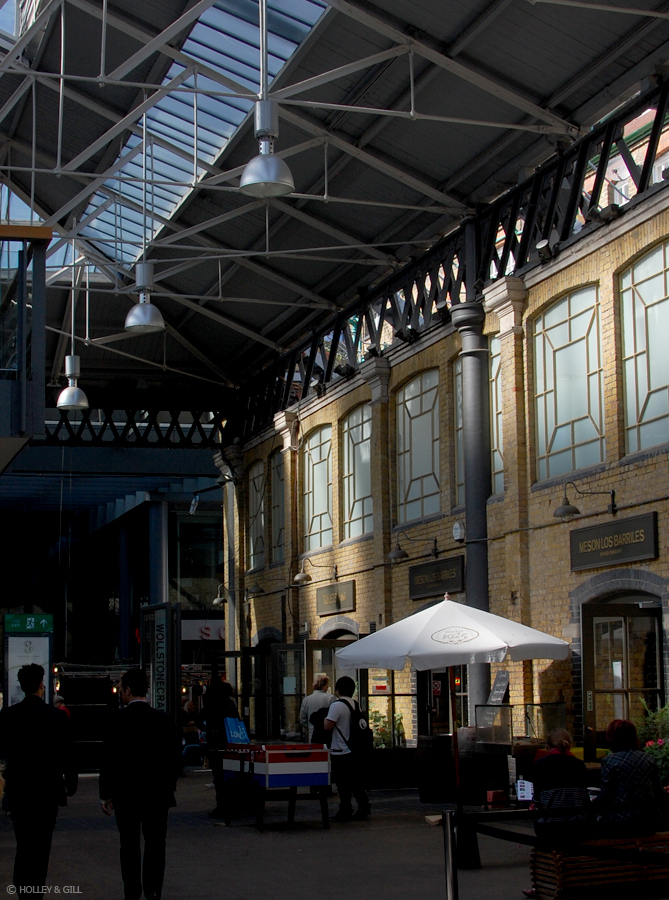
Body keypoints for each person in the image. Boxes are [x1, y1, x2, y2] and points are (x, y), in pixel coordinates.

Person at [99, 668, 180, 900]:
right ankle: (153, 890)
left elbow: (107, 760)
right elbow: (175, 758)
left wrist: (106, 794)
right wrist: (168, 786)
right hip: (157, 794)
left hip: (125, 794)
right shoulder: (162, 719)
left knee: (129, 845)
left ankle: (131, 891)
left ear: (126, 690)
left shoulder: (116, 720)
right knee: (156, 843)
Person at [0, 663, 78, 891]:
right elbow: (68, 753)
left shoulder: (9, 716)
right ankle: (36, 889)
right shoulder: (56, 717)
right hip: (48, 790)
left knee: (23, 843)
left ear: (23, 686)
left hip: (20, 790)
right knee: (42, 845)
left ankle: (23, 888)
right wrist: (70, 782)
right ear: (42, 685)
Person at [596, 718, 664, 837]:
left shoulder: (610, 761)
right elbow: (658, 792)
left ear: (612, 738)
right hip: (648, 819)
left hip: (620, 821)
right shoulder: (648, 759)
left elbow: (606, 796)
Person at [532, 728, 591, 845]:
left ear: (547, 747)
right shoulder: (579, 765)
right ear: (570, 746)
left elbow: (537, 800)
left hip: (550, 828)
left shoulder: (541, 765)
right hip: (579, 827)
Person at [324, 675, 371, 822]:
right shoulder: (355, 704)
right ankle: (364, 806)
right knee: (356, 782)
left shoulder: (337, 706)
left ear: (337, 690)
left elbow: (328, 725)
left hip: (340, 749)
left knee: (342, 784)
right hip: (354, 749)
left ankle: (345, 808)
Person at [198, 680, 240, 819]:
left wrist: (209, 729)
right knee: (229, 775)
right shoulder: (229, 704)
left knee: (218, 776)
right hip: (229, 743)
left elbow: (199, 720)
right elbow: (237, 720)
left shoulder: (210, 704)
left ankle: (221, 806)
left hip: (214, 743)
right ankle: (232, 804)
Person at [299, 673, 335, 742]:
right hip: (327, 734)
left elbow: (302, 719)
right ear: (324, 685)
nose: (327, 687)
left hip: (312, 734)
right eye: (327, 685)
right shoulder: (331, 698)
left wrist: (309, 726)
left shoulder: (306, 699)